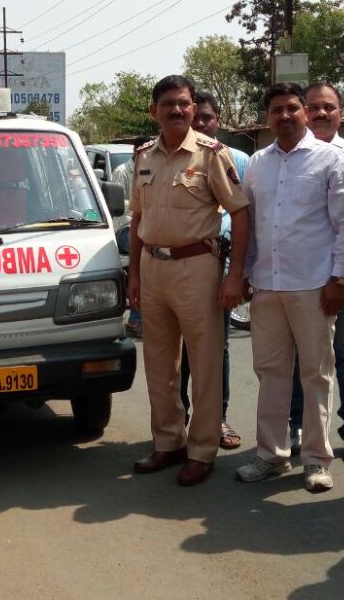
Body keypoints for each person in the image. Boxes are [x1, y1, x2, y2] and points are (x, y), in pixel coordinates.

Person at [235, 82, 344, 493]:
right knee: (271, 372)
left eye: (292, 108)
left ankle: (317, 459)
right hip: (267, 286)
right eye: (276, 110)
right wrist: (246, 275)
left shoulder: (330, 160)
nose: (285, 116)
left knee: (316, 374)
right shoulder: (257, 162)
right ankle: (271, 455)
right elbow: (251, 225)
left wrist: (338, 278)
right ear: (267, 117)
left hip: (314, 285)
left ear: (304, 112)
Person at [128, 75, 250, 487]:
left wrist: (235, 275)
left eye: (183, 103)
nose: (177, 110)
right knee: (159, 363)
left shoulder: (212, 154)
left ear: (194, 109)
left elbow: (241, 212)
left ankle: (201, 451)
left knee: (205, 362)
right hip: (153, 266)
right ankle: (168, 443)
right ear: (154, 111)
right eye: (168, 104)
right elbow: (137, 219)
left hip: (197, 267)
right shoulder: (143, 156)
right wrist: (135, 274)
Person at [288, 83, 344, 466]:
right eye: (315, 108)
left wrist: (338, 269)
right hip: (301, 277)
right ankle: (298, 428)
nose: (322, 114)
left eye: (330, 108)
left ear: (341, 111)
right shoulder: (290, 156)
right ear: (304, 111)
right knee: (302, 355)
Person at [179, 91, 250, 450]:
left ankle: (217, 418)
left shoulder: (239, 160)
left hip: (220, 265)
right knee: (180, 351)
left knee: (215, 349)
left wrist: (240, 272)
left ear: (217, 119)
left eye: (207, 117)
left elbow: (247, 218)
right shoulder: (175, 158)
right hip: (180, 268)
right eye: (196, 117)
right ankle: (180, 419)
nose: (201, 123)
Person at [111, 135, 152, 339]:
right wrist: (142, 205)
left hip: (146, 227)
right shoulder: (122, 172)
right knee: (147, 253)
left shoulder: (154, 169)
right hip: (125, 229)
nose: (147, 153)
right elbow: (118, 206)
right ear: (135, 152)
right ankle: (135, 318)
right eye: (143, 150)